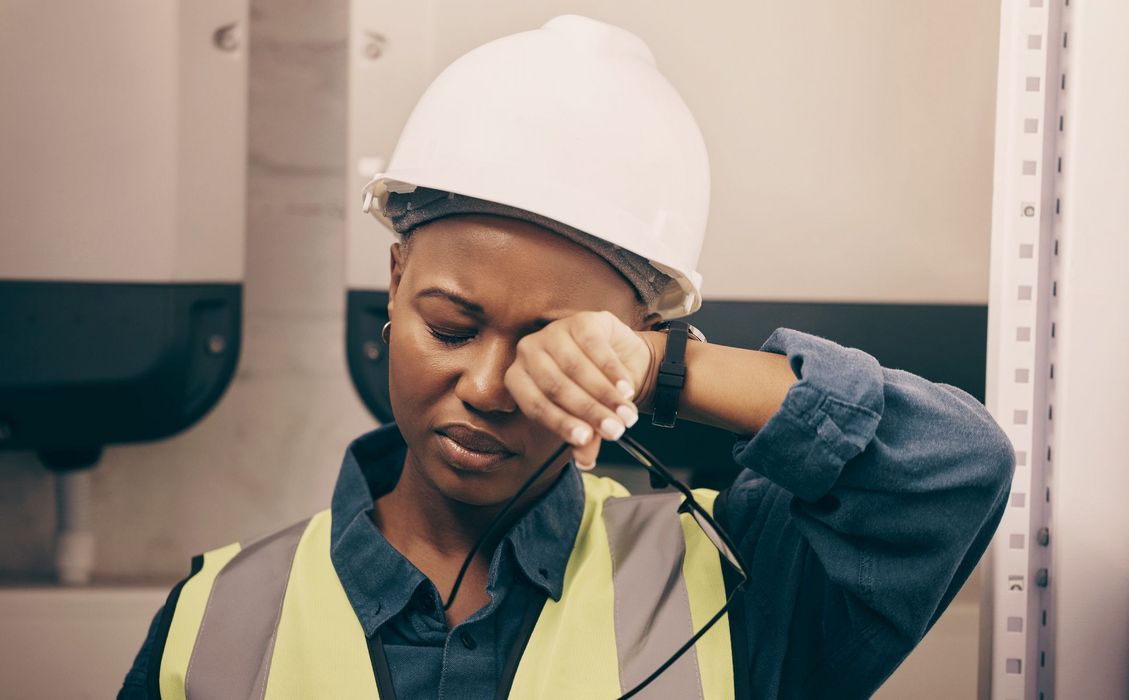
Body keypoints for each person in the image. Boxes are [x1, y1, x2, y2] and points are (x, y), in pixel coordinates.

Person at [118, 15, 1015, 700]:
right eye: (451, 327)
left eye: (553, 345)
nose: (485, 386)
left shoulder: (732, 579)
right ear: (394, 281)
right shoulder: (218, 616)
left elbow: (954, 468)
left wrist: (671, 372)